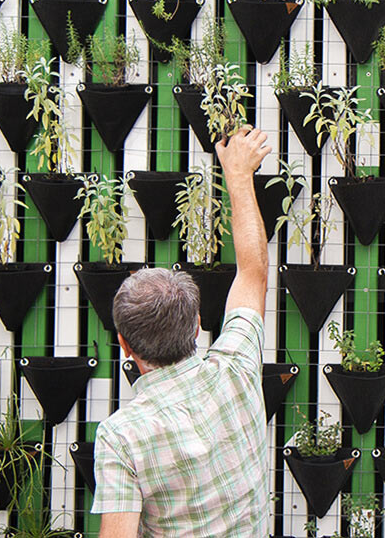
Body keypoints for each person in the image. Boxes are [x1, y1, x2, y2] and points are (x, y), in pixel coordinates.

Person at [92, 124, 272, 538]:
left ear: (124, 344)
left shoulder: (122, 437)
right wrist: (239, 176)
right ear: (197, 325)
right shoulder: (236, 368)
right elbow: (254, 272)